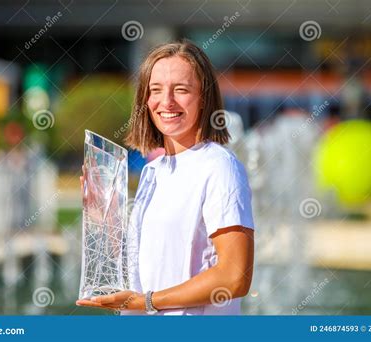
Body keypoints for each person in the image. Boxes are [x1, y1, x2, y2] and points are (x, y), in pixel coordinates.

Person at [76, 40, 255, 315]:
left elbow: (234, 277)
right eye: (156, 90)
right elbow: (144, 266)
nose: (166, 102)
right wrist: (105, 216)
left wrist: (147, 302)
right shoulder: (153, 171)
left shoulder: (219, 166)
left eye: (181, 90)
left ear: (204, 98)